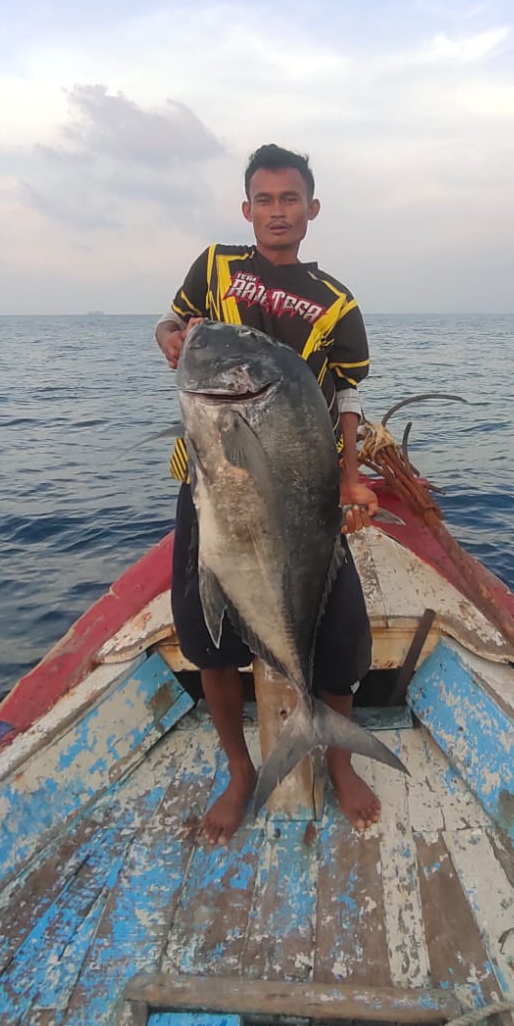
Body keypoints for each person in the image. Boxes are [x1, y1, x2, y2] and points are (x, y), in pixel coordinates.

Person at [155, 143, 381, 844]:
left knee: (341, 637)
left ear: (311, 210)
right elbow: (172, 322)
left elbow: (342, 389)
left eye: (290, 200)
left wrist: (349, 475)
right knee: (206, 636)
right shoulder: (216, 266)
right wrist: (167, 336)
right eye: (264, 199)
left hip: (306, 483)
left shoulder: (336, 301)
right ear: (245, 207)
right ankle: (239, 770)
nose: (276, 211)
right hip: (211, 489)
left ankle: (335, 756)